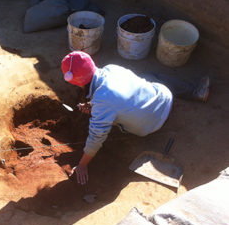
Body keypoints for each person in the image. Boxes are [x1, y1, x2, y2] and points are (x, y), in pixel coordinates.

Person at [61, 51, 210, 185]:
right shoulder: (112, 68)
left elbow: (96, 137)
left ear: (77, 81)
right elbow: (117, 97)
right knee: (149, 77)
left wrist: (82, 165)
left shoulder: (102, 102)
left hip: (151, 125)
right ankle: (196, 91)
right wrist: (96, 105)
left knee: (106, 119)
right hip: (163, 97)